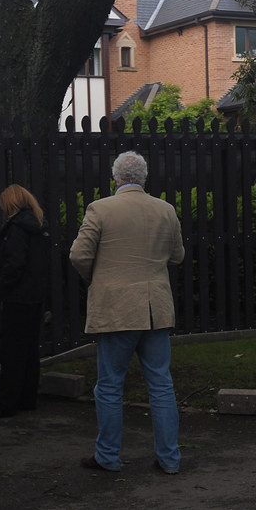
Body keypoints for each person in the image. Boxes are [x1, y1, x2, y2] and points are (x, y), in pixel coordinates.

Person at [69, 151, 185, 475]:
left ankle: (107, 456)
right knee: (161, 385)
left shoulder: (101, 209)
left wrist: (97, 277)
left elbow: (79, 255)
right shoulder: (165, 210)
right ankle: (170, 459)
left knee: (109, 385)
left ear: (115, 178)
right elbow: (177, 256)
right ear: (144, 178)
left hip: (117, 309)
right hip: (156, 309)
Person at [0, 184, 50, 419]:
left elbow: (14, 263)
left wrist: (2, 291)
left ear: (9, 204)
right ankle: (27, 397)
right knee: (30, 350)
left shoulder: (15, 229)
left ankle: (5, 401)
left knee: (12, 350)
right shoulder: (38, 227)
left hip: (17, 297)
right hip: (35, 297)